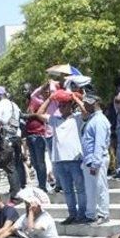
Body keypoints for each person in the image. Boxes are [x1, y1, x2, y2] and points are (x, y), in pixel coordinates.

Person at [44, 89, 88, 224]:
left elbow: (86, 112)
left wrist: (75, 99)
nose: (61, 108)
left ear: (70, 106)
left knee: (80, 188)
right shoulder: (55, 120)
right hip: (59, 160)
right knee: (67, 190)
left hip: (75, 159)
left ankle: (82, 213)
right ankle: (72, 213)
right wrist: (50, 99)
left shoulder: (77, 118)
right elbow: (39, 113)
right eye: (60, 106)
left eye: (64, 105)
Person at [0, 85, 26, 195]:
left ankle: (15, 192)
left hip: (7, 138)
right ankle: (22, 187)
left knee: (9, 166)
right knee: (18, 164)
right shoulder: (14, 105)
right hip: (17, 136)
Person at [24, 84, 52, 191]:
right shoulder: (28, 103)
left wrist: (32, 115)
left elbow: (43, 111)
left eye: (26, 89)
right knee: (35, 162)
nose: (24, 91)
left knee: (40, 162)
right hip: (30, 135)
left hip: (38, 134)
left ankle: (43, 185)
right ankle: (41, 183)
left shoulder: (37, 100)